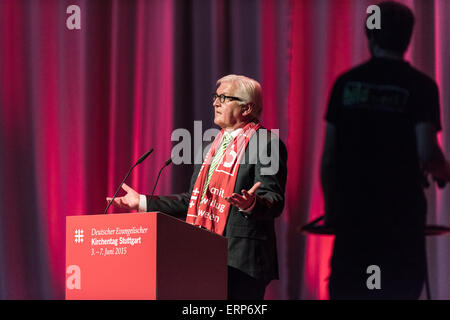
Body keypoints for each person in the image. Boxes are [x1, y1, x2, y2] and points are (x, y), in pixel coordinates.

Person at [107, 74, 287, 300]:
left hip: (242, 260)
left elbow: (274, 200)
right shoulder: (209, 147)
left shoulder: (267, 143)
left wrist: (252, 203)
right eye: (215, 96)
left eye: (224, 97)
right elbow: (193, 200)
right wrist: (142, 201)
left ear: (247, 108)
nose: (215, 103)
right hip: (203, 257)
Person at [321, 1, 450, 300]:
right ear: (408, 37)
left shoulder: (346, 84)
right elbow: (427, 152)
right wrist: (445, 171)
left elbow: (329, 159)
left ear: (371, 36)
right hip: (401, 223)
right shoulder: (421, 86)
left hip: (354, 220)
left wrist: (332, 210)